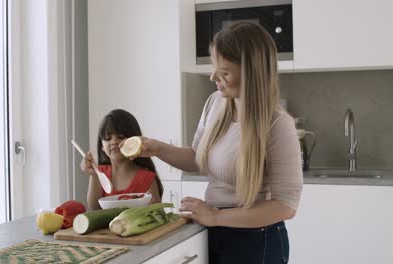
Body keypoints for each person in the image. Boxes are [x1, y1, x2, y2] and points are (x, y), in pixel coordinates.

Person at [128, 22, 303, 263]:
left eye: (225, 72)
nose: (213, 77)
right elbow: (196, 159)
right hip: (214, 232)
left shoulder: (277, 125)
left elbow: (285, 206)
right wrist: (156, 148)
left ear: (251, 72)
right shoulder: (216, 104)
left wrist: (216, 216)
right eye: (214, 68)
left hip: (257, 242)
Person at [81, 109, 163, 210]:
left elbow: (157, 214)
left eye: (120, 137)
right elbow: (94, 210)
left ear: (134, 141)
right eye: (107, 138)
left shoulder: (147, 178)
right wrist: (93, 175)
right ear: (101, 146)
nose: (114, 141)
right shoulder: (99, 174)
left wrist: (152, 205)